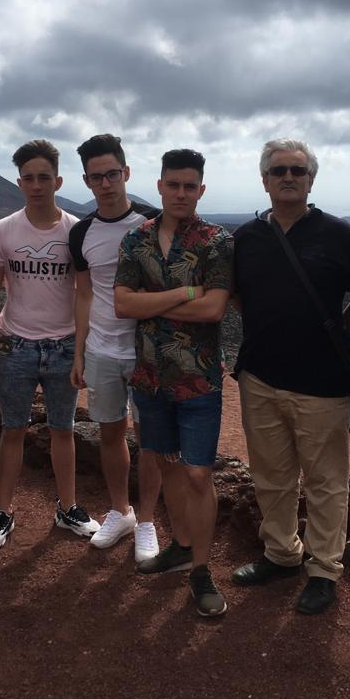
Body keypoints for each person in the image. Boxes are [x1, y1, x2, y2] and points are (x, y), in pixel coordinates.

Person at [231, 139, 350, 614]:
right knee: (270, 476)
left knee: (326, 482)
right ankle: (281, 553)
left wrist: (336, 330)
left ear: (311, 180)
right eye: (279, 171)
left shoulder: (339, 234)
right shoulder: (247, 238)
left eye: (298, 170)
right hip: (260, 377)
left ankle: (324, 570)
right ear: (265, 180)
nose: (288, 177)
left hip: (322, 380)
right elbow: (235, 294)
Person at [114, 149, 233, 617]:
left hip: (198, 380)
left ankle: (202, 570)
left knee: (199, 473)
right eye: (173, 184)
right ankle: (182, 547)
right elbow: (123, 305)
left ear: (201, 190)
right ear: (160, 186)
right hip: (150, 379)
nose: (181, 193)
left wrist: (152, 301)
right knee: (165, 464)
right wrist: (185, 292)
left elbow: (214, 309)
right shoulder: (136, 239)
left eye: (189, 186)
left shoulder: (216, 240)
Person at [0, 139, 99, 549]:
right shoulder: (2, 231)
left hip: (63, 345)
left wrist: (81, 349)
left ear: (58, 181)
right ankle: (3, 511)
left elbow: (85, 293)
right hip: (16, 345)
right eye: (28, 178)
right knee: (12, 429)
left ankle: (68, 507)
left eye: (43, 177)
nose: (36, 185)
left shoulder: (76, 231)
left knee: (63, 430)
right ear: (19, 182)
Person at [69, 135, 162, 563]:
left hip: (147, 351)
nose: (105, 184)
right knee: (109, 432)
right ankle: (121, 511)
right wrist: (79, 352)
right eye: (96, 177)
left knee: (150, 439)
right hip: (102, 349)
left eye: (111, 174)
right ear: (86, 181)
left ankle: (147, 522)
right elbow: (84, 294)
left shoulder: (153, 222)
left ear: (125, 173)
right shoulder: (81, 233)